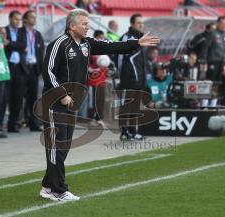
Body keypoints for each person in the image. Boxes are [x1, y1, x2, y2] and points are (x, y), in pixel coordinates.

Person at [40, 9, 159, 201]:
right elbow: (48, 71)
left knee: (63, 147)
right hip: (55, 103)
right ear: (72, 26)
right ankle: (59, 190)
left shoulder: (87, 43)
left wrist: (136, 42)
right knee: (56, 146)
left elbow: (113, 46)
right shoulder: (58, 44)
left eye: (88, 23)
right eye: (84, 24)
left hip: (72, 104)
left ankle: (47, 185)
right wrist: (62, 95)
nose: (88, 27)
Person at [117, 13, 147, 141]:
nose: (141, 25)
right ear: (132, 24)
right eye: (138, 22)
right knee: (126, 106)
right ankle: (124, 132)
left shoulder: (142, 39)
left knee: (135, 107)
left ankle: (133, 131)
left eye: (142, 22)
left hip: (139, 79)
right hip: (128, 79)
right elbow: (119, 57)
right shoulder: (126, 37)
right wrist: (121, 75)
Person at [22, 10, 45, 131]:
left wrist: (41, 69)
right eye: (31, 17)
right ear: (25, 19)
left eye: (35, 17)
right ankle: (15, 122)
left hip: (34, 68)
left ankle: (33, 123)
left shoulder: (38, 34)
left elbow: (41, 53)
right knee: (18, 96)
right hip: (21, 68)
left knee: (33, 97)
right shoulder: (20, 32)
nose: (34, 19)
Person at [5, 10, 27, 133]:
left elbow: (23, 44)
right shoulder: (4, 30)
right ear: (10, 18)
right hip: (8, 66)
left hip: (20, 68)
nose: (18, 22)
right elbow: (4, 44)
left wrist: (10, 43)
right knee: (5, 96)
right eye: (15, 19)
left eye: (19, 20)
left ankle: (12, 124)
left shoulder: (22, 31)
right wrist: (16, 45)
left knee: (18, 98)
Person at [200, 16, 225, 105]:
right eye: (222, 23)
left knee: (218, 83)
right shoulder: (212, 33)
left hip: (221, 63)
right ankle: (204, 104)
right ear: (218, 23)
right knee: (209, 82)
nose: (224, 25)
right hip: (212, 61)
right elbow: (206, 47)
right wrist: (203, 61)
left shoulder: (223, 35)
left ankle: (213, 104)